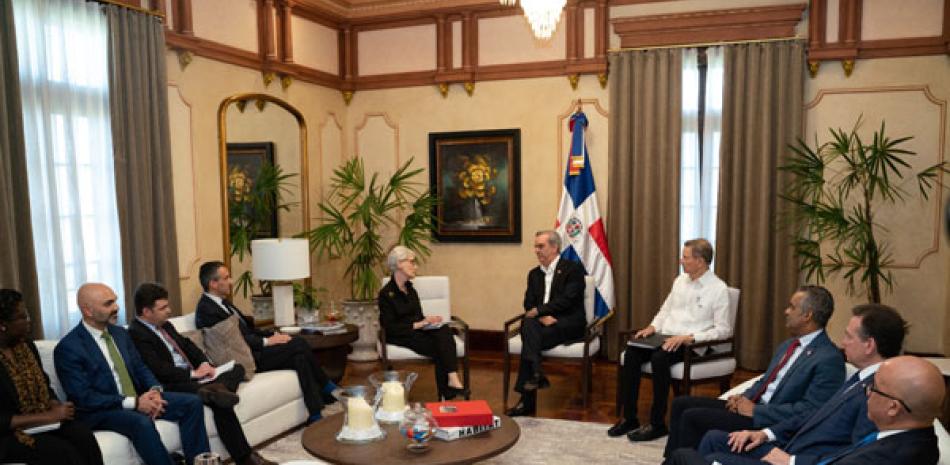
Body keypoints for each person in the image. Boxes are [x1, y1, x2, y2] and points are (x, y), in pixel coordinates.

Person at [667, 303, 907, 465]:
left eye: (849, 336)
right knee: (712, 438)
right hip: (784, 439)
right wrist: (765, 433)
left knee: (685, 455)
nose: (843, 343)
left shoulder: (878, 394)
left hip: (795, 456)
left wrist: (790, 460)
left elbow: (853, 453)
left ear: (869, 345)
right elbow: (815, 415)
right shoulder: (858, 377)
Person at [662, 286, 845, 456]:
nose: (786, 311)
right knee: (681, 404)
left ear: (807, 315)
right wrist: (743, 396)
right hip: (752, 407)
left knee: (692, 417)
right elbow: (766, 380)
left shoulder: (829, 359)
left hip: (767, 421)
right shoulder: (789, 345)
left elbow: (811, 410)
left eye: (792, 307)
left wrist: (756, 411)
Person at [54, 283, 210, 465]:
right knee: (140, 422)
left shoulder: (120, 333)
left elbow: (140, 367)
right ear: (87, 311)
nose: (116, 307)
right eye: (108, 304)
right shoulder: (69, 348)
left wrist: (155, 391)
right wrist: (134, 403)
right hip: (101, 410)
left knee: (192, 403)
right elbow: (84, 397)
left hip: (137, 398)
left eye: (115, 301)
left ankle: (199, 462)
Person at [129, 282, 276, 465]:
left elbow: (188, 346)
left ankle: (216, 389)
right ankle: (245, 458)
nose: (169, 310)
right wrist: (194, 375)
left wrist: (205, 363)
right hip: (174, 383)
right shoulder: (136, 333)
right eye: (163, 307)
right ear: (146, 312)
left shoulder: (165, 325)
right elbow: (158, 369)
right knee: (222, 404)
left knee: (237, 368)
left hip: (196, 376)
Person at [609, 238, 732, 442]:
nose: (680, 261)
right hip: (664, 336)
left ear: (701, 261)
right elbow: (665, 310)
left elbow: (723, 330)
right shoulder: (680, 281)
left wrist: (689, 337)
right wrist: (652, 327)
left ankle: (658, 424)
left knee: (660, 358)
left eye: (685, 257)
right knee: (631, 353)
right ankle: (630, 418)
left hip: (691, 343)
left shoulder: (718, 289)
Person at [194, 261, 337, 424]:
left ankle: (315, 414)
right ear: (213, 283)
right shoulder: (207, 310)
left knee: (300, 358)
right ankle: (327, 386)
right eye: (226, 278)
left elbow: (248, 329)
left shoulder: (222, 302)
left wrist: (273, 334)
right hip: (245, 358)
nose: (231, 281)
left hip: (254, 349)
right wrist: (268, 341)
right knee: (299, 344)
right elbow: (234, 340)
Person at [0, 289, 103, 465]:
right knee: (62, 452)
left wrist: (57, 406)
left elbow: (45, 386)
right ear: (2, 324)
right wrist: (50, 416)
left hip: (39, 422)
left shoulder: (26, 347)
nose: (29, 322)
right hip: (7, 435)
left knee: (82, 435)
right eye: (22, 317)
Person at [507, 230, 587, 417]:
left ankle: (526, 400)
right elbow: (528, 303)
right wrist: (541, 317)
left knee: (529, 336)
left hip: (566, 324)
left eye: (540, 246)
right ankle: (537, 374)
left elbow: (568, 299)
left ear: (554, 247)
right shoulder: (534, 274)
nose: (536, 250)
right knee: (529, 326)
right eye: (535, 246)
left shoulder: (573, 269)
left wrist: (540, 312)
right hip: (542, 325)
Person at [378, 246, 467, 400]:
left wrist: (429, 321)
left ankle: (452, 382)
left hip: (417, 330)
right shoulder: (386, 294)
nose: (416, 267)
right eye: (412, 262)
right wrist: (419, 325)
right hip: (401, 335)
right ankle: (448, 390)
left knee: (444, 329)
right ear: (399, 264)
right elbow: (390, 327)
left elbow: (418, 316)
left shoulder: (411, 290)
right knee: (441, 348)